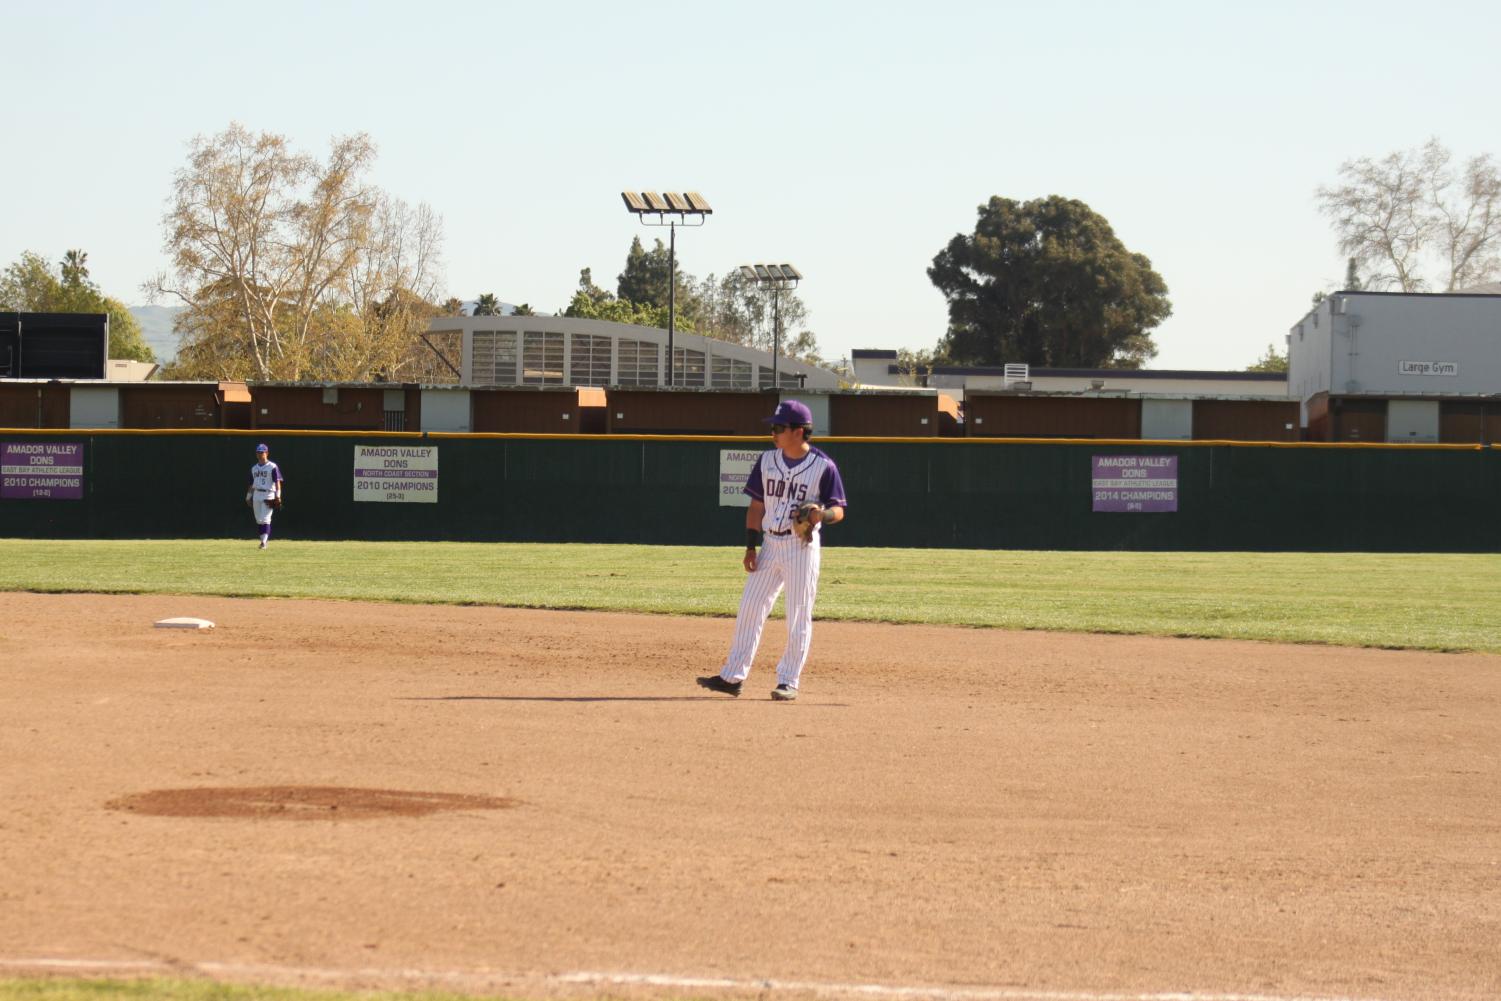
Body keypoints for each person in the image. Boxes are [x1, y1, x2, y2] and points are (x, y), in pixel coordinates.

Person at [698, 400, 847, 701]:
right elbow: (756, 506)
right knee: (750, 607)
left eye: (778, 427)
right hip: (770, 543)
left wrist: (823, 516)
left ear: (798, 431)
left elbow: (839, 509)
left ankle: (789, 680)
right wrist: (750, 546)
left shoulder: (823, 466)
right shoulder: (766, 461)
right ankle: (732, 677)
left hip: (801, 546)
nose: (773, 433)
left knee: (798, 614)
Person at [245, 443, 284, 549]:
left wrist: (278, 496)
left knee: (266, 518)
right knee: (259, 520)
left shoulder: (272, 466)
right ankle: (263, 541)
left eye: (261, 452)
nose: (259, 454)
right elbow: (251, 484)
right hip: (257, 493)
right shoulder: (254, 468)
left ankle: (264, 542)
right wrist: (248, 496)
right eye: (258, 452)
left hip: (269, 494)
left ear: (267, 453)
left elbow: (277, 482)